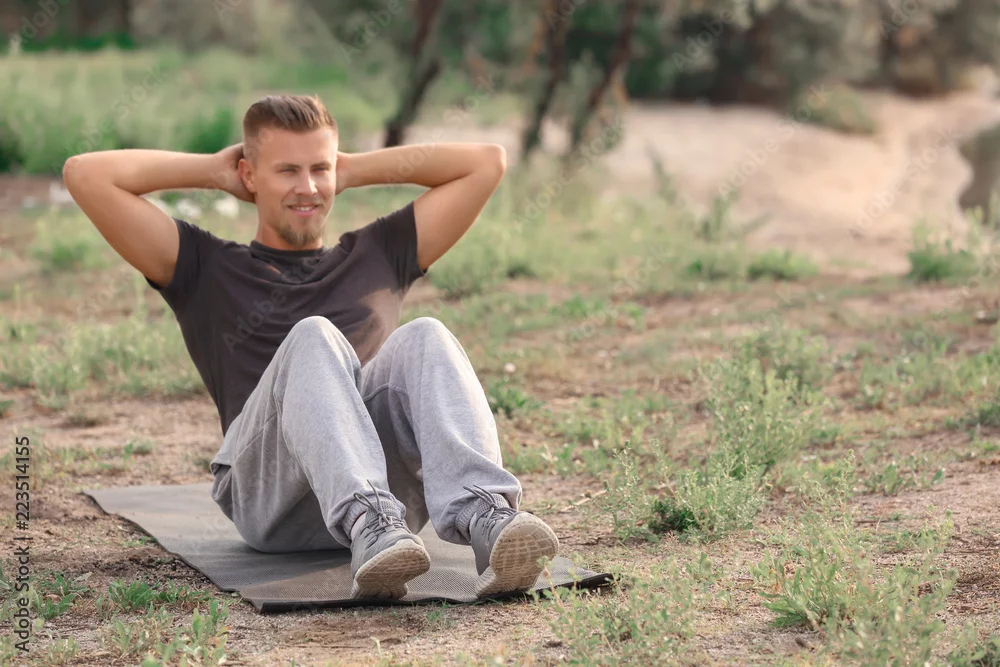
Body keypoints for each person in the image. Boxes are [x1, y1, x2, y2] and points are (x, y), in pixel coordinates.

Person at [62, 94, 559, 600]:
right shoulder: (202, 266)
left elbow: (486, 163)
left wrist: (350, 169)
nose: (308, 188)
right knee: (313, 335)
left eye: (319, 168)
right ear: (249, 175)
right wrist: (215, 172)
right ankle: (366, 517)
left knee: (426, 334)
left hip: (393, 510)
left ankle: (484, 515)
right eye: (287, 171)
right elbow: (86, 174)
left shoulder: (379, 253)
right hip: (270, 501)